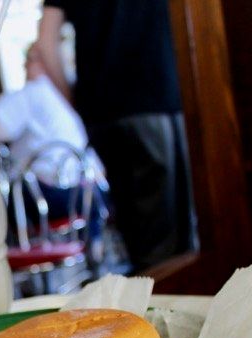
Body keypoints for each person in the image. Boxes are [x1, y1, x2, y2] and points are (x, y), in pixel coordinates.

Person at [36, 0, 197, 271]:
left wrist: (76, 102)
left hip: (102, 113)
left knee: (140, 237)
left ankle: (146, 305)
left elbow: (45, 44)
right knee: (173, 246)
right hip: (154, 97)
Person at [0, 43, 109, 254]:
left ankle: (19, 262)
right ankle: (91, 251)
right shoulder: (66, 94)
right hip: (91, 194)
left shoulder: (33, 92)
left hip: (50, 199)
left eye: (28, 59)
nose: (24, 65)